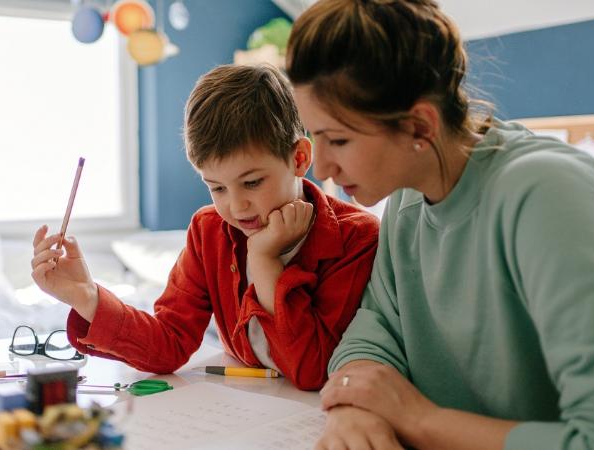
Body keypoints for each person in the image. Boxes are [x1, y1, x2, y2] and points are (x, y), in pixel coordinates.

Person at [286, 0, 594, 448]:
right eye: (316, 137)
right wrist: (352, 409)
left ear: (420, 126)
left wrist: (419, 419)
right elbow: (374, 329)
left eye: (339, 140)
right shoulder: (408, 200)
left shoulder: (546, 195)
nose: (321, 165)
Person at [30, 64, 380, 390]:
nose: (236, 206)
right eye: (217, 188)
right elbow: (170, 343)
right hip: (243, 407)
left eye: (253, 182)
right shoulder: (208, 230)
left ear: (299, 158)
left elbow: (312, 371)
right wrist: (86, 297)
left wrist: (264, 261)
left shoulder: (357, 238)